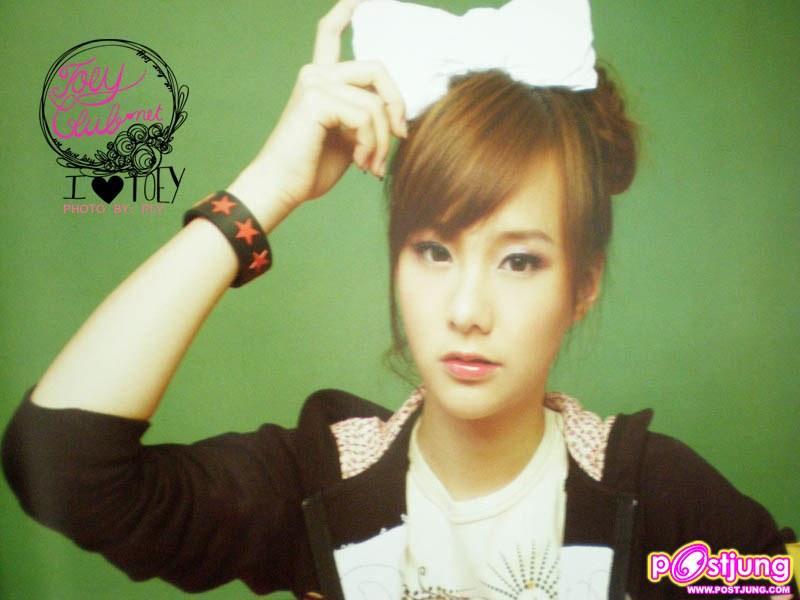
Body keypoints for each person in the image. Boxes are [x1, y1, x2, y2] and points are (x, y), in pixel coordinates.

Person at [2, 1, 796, 599]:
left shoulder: (657, 497)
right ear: (396, 263)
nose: (467, 310)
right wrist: (265, 190)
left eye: (520, 261)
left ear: (581, 286)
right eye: (434, 252)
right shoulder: (314, 482)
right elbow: (60, 465)